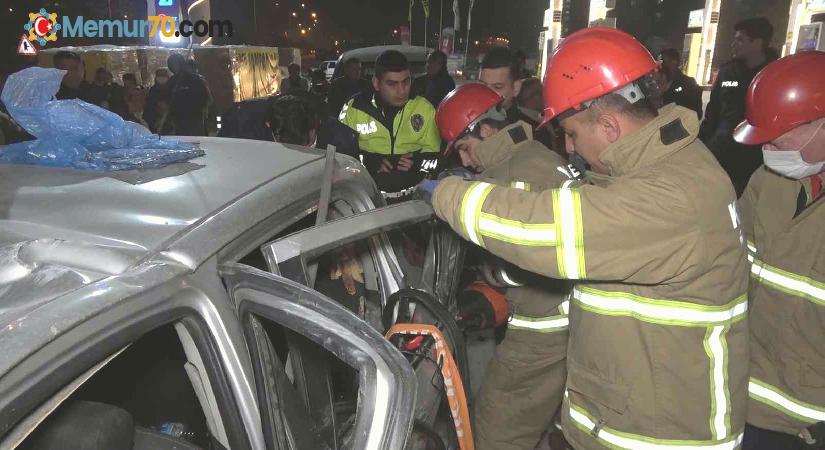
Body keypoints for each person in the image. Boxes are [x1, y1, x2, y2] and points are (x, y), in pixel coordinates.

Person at [420, 27, 750, 450]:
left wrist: (446, 193)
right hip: (634, 414)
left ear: (609, 125)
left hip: (657, 436)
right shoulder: (671, 168)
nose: (569, 148)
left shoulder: (670, 195)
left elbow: (551, 231)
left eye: (572, 134)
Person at [437, 83, 574, 450]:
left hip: (544, 329)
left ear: (485, 131)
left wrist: (488, 277)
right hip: (567, 325)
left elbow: (531, 263)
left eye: (465, 149)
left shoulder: (515, 177)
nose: (465, 162)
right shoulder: (536, 157)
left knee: (493, 433)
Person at [733, 51, 825, 450]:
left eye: (780, 134)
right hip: (743, 397)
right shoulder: (766, 181)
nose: (769, 147)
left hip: (809, 421)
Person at [339, 50, 441, 202]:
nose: (401, 91)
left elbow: (438, 161)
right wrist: (367, 162)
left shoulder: (424, 109)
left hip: (414, 200)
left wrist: (418, 163)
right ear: (376, 83)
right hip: (368, 200)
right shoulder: (354, 110)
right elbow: (339, 161)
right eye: (392, 84)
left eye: (406, 82)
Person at [700, 17, 779, 196]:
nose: (734, 44)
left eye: (740, 40)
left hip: (756, 160)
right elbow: (712, 115)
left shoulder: (775, 74)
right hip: (721, 154)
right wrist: (702, 147)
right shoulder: (728, 72)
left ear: (757, 42)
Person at [480, 47, 554, 149]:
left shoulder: (534, 133)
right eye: (483, 86)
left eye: (497, 87)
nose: (488, 94)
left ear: (516, 88)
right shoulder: (467, 126)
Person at [166, 53, 210, 136]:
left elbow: (204, 97)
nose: (174, 66)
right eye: (171, 64)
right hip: (177, 121)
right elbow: (167, 98)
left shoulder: (195, 79)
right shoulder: (171, 82)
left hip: (194, 120)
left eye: (175, 64)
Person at [656, 48, 703, 120]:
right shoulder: (654, 82)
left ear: (675, 62)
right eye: (660, 62)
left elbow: (697, 114)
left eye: (665, 62)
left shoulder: (688, 84)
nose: (662, 66)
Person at [144, 68, 172, 134]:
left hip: (170, 123)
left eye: (163, 76)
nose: (161, 78)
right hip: (155, 123)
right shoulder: (153, 90)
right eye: (159, 76)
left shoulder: (171, 89)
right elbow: (149, 107)